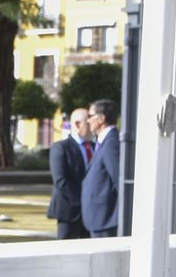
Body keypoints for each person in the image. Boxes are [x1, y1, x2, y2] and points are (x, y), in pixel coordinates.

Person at [48, 107, 92, 240]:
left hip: (91, 214)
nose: (92, 126)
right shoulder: (61, 148)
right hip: (69, 212)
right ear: (78, 124)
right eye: (88, 123)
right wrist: (83, 201)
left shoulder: (95, 147)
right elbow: (61, 181)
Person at [82, 97, 121, 237]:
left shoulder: (111, 143)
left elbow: (118, 179)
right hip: (98, 218)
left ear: (101, 119)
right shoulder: (104, 141)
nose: (87, 120)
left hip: (106, 218)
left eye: (90, 116)